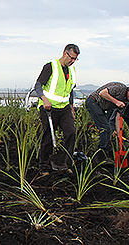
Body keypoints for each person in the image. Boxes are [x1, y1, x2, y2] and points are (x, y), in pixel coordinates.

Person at [35, 44, 79, 172]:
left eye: (75, 59)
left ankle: (65, 164)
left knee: (71, 133)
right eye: (71, 58)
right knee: (48, 136)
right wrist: (44, 99)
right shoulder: (51, 66)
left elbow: (70, 90)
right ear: (65, 53)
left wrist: (71, 107)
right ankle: (44, 166)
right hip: (49, 108)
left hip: (64, 108)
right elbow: (38, 86)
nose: (72, 61)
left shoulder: (72, 70)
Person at [86, 82, 129, 159]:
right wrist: (116, 102)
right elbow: (102, 93)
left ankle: (103, 152)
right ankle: (101, 156)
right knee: (105, 128)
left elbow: (117, 116)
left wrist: (116, 131)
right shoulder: (120, 89)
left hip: (101, 107)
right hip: (93, 102)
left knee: (106, 129)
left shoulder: (126, 100)